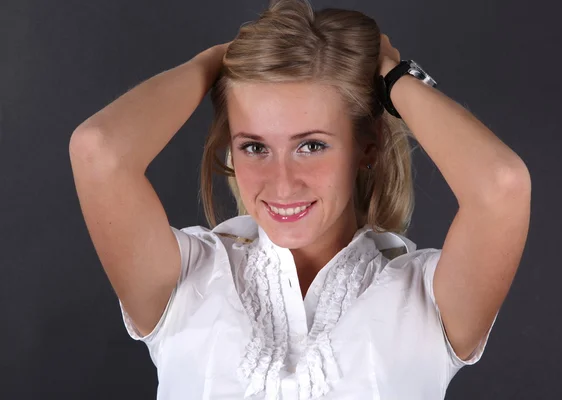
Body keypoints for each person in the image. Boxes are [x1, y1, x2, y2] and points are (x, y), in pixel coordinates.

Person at [68, 0, 531, 399]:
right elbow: (99, 151)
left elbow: (502, 184)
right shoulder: (186, 277)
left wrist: (391, 76)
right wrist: (216, 64)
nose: (282, 183)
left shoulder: (429, 299)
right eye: (255, 147)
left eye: (311, 146)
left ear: (366, 147)